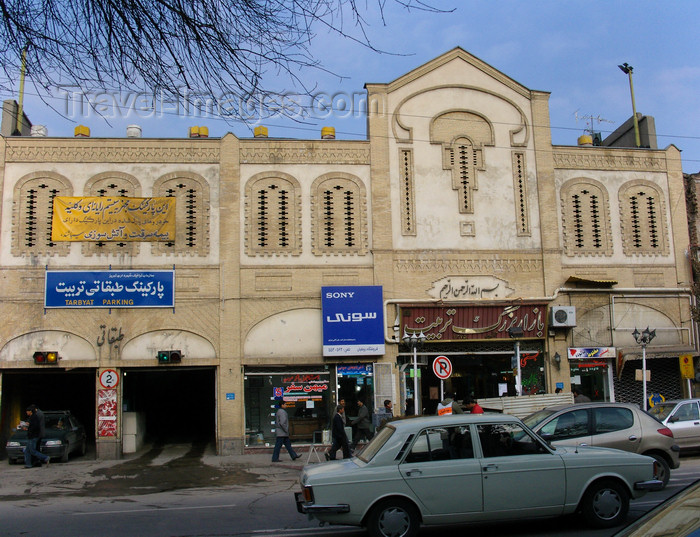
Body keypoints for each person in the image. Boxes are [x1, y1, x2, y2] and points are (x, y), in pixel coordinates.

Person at [24, 404, 50, 468]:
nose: (26, 412)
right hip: (32, 436)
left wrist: (28, 427)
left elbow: (35, 427)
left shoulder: (34, 417)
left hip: (33, 436)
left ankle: (45, 457)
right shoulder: (33, 417)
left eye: (27, 411)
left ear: (30, 411)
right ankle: (28, 464)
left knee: (32, 451)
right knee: (27, 450)